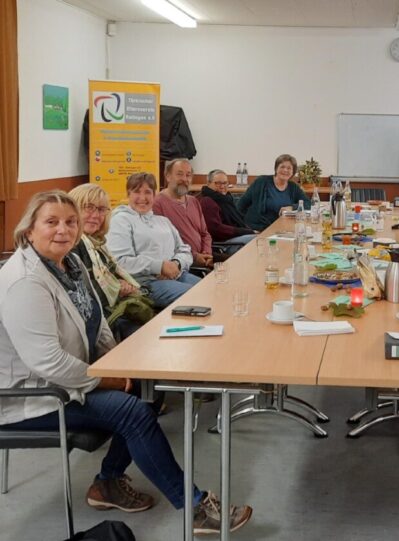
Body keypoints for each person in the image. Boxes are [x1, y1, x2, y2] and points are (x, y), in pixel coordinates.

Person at [0, 190, 252, 535]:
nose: (64, 229)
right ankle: (194, 508)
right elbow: (48, 363)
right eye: (51, 222)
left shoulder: (70, 263)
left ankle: (108, 482)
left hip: (73, 377)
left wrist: (118, 360)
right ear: (29, 230)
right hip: (36, 396)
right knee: (131, 410)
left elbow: (97, 321)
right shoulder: (25, 281)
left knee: (148, 387)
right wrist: (110, 379)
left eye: (70, 222)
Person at [68, 184, 155, 341]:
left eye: (101, 210)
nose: (96, 215)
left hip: (112, 313)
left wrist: (122, 284)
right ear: (73, 209)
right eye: (88, 207)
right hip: (96, 323)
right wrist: (117, 288)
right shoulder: (72, 245)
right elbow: (83, 295)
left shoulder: (98, 244)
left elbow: (113, 276)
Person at [107, 172, 200, 308]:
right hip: (147, 284)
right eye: (136, 192)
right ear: (128, 194)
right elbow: (121, 262)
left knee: (212, 289)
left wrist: (176, 264)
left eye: (148, 192)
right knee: (197, 296)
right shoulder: (120, 220)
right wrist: (159, 267)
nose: (142, 198)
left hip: (177, 274)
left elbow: (184, 249)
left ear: (154, 195)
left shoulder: (163, 221)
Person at [153, 158, 215, 267]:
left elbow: (205, 234)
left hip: (205, 259)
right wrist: (195, 256)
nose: (184, 179)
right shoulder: (157, 204)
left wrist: (206, 253)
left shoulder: (193, 201)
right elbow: (165, 243)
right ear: (168, 176)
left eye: (188, 175)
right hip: (181, 264)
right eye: (180, 174)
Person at [237, 154, 312, 231]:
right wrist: (240, 228)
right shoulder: (261, 182)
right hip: (257, 229)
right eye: (282, 167)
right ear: (276, 168)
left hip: (281, 229)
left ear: (293, 172)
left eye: (289, 168)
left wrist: (292, 207)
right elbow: (241, 204)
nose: (285, 170)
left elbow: (308, 203)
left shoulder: (293, 187)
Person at [198, 169, 256, 255]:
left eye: (225, 183)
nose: (222, 186)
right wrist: (246, 231)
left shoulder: (227, 198)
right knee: (258, 241)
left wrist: (250, 230)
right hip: (223, 243)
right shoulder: (207, 201)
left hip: (234, 237)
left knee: (261, 237)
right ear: (208, 183)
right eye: (217, 183)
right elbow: (215, 229)